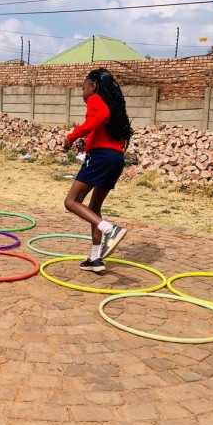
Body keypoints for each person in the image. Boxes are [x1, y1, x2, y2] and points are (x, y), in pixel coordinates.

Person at [63, 67, 132, 273]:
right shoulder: (114, 106)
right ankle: (95, 259)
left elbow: (99, 116)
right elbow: (103, 128)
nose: (82, 91)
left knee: (71, 202)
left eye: (83, 87)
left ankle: (110, 229)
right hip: (115, 159)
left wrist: (72, 136)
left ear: (93, 86)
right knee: (94, 209)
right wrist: (87, 141)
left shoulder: (96, 99)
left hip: (100, 158)